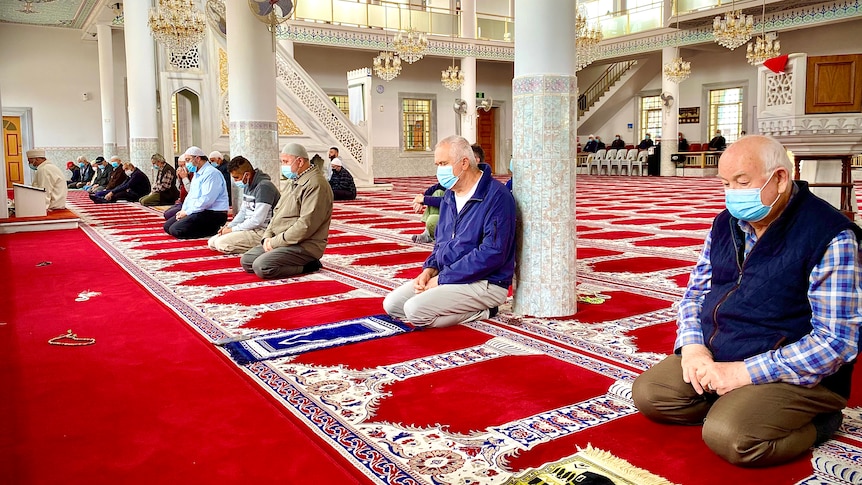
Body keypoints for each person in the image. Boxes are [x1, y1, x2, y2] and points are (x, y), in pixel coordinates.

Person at [632, 135, 862, 467]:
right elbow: (696, 292)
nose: (733, 194)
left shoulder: (830, 235)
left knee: (732, 437)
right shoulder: (726, 223)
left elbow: (836, 343)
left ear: (780, 178)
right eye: (726, 183)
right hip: (724, 348)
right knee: (651, 394)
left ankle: (819, 422)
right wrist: (694, 348)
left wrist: (745, 373)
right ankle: (738, 401)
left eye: (742, 182)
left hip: (792, 367)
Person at [383, 135, 516, 328]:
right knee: (393, 306)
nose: (439, 170)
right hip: (451, 276)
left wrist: (442, 279)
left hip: (486, 282)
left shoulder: (496, 197)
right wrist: (429, 270)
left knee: (415, 311)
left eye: (443, 163)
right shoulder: (449, 196)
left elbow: (492, 253)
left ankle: (485, 310)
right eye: (437, 164)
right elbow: (441, 244)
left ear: (464, 163)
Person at [240, 143, 333, 280]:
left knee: (262, 267)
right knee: (247, 261)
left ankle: (309, 265)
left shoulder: (316, 184)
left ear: (300, 161)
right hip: (282, 240)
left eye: (286, 161)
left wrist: (275, 243)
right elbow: (277, 212)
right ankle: (280, 253)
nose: (283, 166)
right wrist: (267, 237)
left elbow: (305, 225)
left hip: (304, 245)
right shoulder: (293, 180)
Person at [208, 156, 280, 254]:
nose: (236, 181)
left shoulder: (264, 187)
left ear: (247, 175)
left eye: (236, 177)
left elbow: (257, 220)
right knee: (212, 242)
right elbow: (243, 212)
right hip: (249, 228)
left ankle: (264, 245)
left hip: (263, 231)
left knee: (221, 244)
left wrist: (232, 230)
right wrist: (229, 227)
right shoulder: (247, 184)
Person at [164, 146, 229, 239]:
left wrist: (188, 212)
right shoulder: (197, 174)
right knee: (167, 227)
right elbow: (191, 196)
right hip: (200, 211)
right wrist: (184, 211)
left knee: (176, 230)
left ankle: (213, 230)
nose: (186, 164)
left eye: (188, 160)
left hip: (214, 214)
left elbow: (206, 200)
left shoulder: (212, 174)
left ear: (197, 158)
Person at [164, 156, 194, 221]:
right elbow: (179, 188)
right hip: (182, 202)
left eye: (183, 165)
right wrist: (179, 178)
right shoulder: (183, 174)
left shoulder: (193, 174)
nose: (180, 168)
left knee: (168, 215)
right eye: (179, 166)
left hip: (189, 204)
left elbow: (191, 192)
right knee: (166, 213)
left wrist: (184, 178)